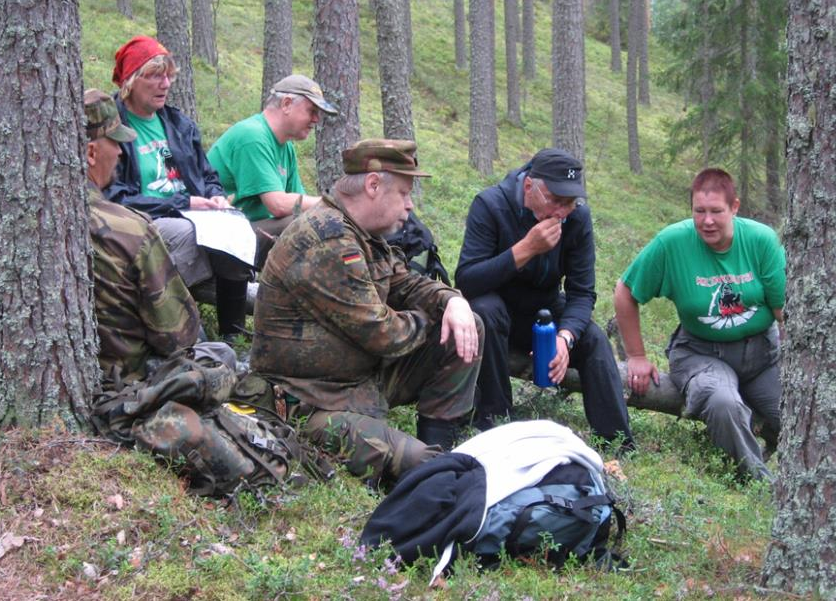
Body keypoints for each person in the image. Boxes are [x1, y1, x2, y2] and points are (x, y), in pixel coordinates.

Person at [251, 139, 483, 486]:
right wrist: (430, 318)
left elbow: (405, 283)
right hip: (309, 402)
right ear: (373, 185)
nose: (409, 206)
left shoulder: (362, 235)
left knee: (467, 325)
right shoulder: (327, 239)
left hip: (357, 383)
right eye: (404, 193)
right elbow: (381, 333)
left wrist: (452, 302)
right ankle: (428, 461)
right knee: (430, 468)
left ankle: (439, 440)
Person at [455, 148, 633, 448]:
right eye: (556, 200)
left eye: (570, 202)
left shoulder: (577, 219)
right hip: (497, 311)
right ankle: (494, 423)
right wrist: (525, 249)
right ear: (529, 187)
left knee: (592, 337)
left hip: (543, 312)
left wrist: (565, 338)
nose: (562, 211)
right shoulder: (490, 205)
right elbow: (467, 280)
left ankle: (616, 441)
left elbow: (582, 291)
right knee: (486, 310)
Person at [614, 168, 784, 481]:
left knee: (794, 412)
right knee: (723, 402)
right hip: (701, 353)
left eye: (716, 211)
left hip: (762, 355)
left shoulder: (761, 241)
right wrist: (636, 356)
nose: (707, 221)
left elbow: (781, 308)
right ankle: (762, 485)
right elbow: (625, 292)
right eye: (699, 211)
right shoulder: (672, 243)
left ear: (734, 207)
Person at [103, 35, 251, 338]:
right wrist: (184, 204)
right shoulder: (111, 126)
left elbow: (208, 176)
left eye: (168, 75)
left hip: (192, 213)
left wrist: (216, 197)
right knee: (187, 234)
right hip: (142, 219)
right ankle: (177, 329)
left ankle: (232, 334)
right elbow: (115, 196)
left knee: (235, 225)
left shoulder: (179, 124)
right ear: (130, 81)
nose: (165, 84)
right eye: (155, 75)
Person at [82, 88, 234, 382]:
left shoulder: (34, 219)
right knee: (220, 358)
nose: (120, 153)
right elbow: (177, 336)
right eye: (116, 143)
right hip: (126, 375)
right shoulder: (131, 229)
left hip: (80, 368)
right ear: (91, 153)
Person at [207, 74, 338, 268]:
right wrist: (334, 204)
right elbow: (277, 204)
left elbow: (299, 202)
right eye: (312, 110)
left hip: (249, 229)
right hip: (220, 237)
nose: (316, 119)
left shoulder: (285, 146)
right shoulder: (252, 136)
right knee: (307, 228)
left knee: (319, 222)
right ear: (286, 104)